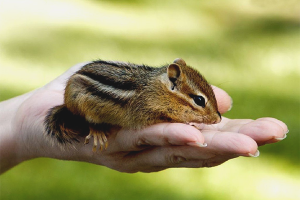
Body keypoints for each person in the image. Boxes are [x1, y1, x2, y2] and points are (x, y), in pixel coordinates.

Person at [0, 62, 288, 174]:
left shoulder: (161, 93)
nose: (209, 116)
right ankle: (91, 125)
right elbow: (138, 120)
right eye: (199, 103)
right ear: (171, 83)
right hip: (87, 93)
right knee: (85, 101)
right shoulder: (148, 100)